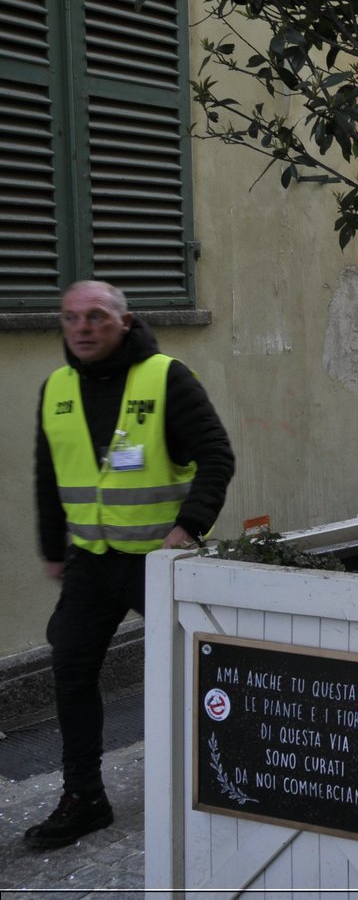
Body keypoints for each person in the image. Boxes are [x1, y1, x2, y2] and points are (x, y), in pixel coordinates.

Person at [30, 281, 235, 850]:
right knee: (71, 668)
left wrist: (188, 527)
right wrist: (53, 550)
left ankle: (229, 780)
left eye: (96, 316)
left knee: (201, 671)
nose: (83, 327)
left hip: (159, 561)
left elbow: (216, 454)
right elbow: (49, 476)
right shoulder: (56, 389)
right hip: (92, 562)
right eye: (71, 318)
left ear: (124, 322)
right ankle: (85, 797)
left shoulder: (165, 376)